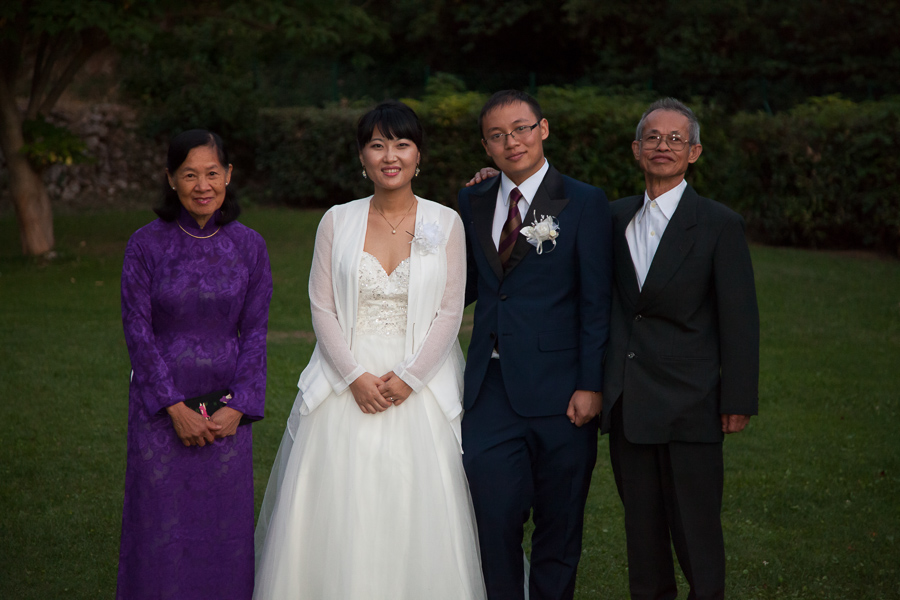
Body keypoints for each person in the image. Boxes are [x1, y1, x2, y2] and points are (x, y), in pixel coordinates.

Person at [253, 101, 486, 600]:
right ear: (362, 157)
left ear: (419, 155)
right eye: (377, 145)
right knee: (339, 503)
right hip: (346, 380)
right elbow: (322, 307)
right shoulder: (336, 221)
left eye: (402, 144)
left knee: (416, 505)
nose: (390, 156)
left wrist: (410, 377)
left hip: (420, 383)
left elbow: (450, 311)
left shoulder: (446, 222)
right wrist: (354, 377)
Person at [458, 90, 613, 600]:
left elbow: (596, 302)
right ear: (486, 146)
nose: (512, 142)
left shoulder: (585, 202)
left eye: (522, 128)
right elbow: (463, 286)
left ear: (543, 129)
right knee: (492, 517)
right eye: (497, 135)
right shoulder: (472, 200)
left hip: (562, 392)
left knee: (559, 526)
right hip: (491, 388)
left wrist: (590, 384)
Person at [602, 98, 760, 600]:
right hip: (628, 402)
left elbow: (739, 319)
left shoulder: (718, 224)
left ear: (694, 152)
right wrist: (492, 184)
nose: (662, 146)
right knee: (642, 536)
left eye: (676, 139)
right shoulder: (612, 218)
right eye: (652, 137)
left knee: (697, 535)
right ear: (636, 149)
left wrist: (737, 398)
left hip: (692, 403)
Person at [117, 130, 273, 600]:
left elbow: (257, 332)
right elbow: (137, 332)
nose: (202, 185)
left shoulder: (250, 246)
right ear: (171, 179)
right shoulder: (144, 245)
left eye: (212, 173)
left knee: (223, 530)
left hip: (226, 413)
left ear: (228, 175)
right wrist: (174, 408)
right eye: (189, 175)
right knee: (159, 528)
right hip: (160, 411)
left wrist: (240, 406)